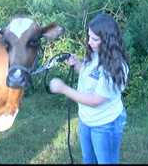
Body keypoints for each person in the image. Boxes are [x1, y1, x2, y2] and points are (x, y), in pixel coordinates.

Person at [49, 12, 129, 164]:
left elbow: (95, 100)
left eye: (95, 39)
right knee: (88, 160)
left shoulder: (116, 67)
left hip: (106, 125)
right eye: (89, 36)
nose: (90, 42)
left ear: (107, 40)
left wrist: (64, 89)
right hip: (86, 120)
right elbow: (91, 77)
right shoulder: (95, 54)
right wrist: (78, 65)